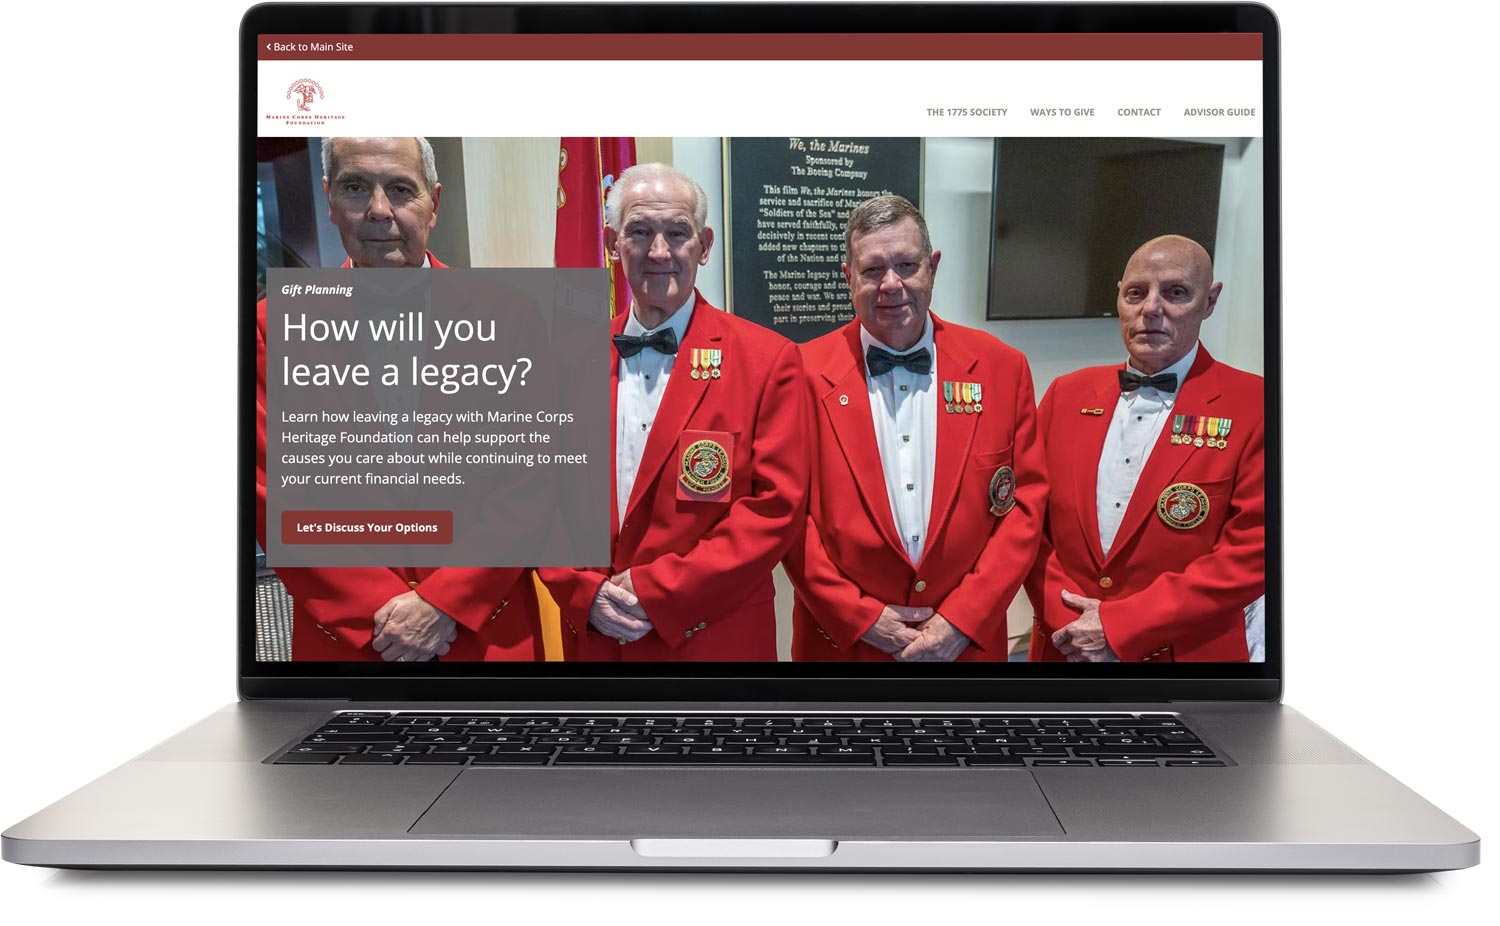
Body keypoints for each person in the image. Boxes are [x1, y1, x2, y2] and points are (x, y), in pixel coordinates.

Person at [254, 136, 544, 662]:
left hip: (484, 632)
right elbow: (276, 495)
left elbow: (535, 481)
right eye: (356, 188)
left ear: (435, 202)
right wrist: (384, 613)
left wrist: (445, 602)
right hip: (353, 642)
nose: (379, 210)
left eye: (401, 189)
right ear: (329, 200)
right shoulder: (273, 328)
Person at [538, 164, 811, 661]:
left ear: (704, 245)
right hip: (596, 638)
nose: (659, 252)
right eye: (640, 232)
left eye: (677, 233)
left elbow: (775, 509)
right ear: (611, 243)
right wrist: (581, 591)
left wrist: (657, 589)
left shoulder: (768, 361)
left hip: (713, 643)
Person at [784, 195, 1046, 661]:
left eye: (907, 264)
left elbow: (1023, 508)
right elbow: (787, 516)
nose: (891, 284)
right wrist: (859, 617)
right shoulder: (800, 372)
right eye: (872, 270)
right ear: (848, 277)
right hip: (843, 647)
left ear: (933, 267)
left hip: (966, 644)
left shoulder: (1002, 368)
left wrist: (963, 618)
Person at [1026, 235, 1265, 663]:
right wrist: (1068, 621)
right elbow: (1027, 525)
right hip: (1063, 651)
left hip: (1184, 662)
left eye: (1175, 293)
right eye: (1136, 292)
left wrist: (1122, 626)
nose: (1151, 308)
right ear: (1119, 296)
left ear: (1210, 302)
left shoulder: (1256, 405)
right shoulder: (1065, 394)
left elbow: (1253, 552)